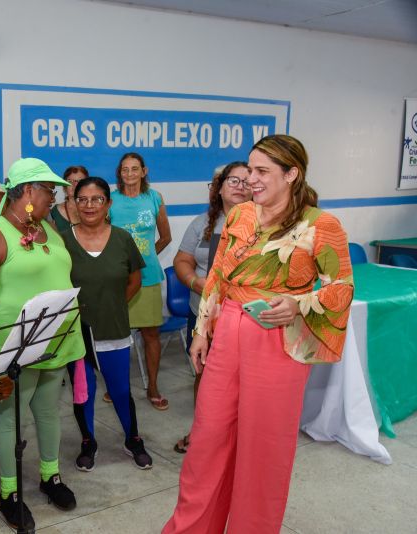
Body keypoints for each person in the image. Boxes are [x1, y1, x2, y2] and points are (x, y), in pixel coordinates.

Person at [163, 135, 354, 534]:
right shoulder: (240, 215)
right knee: (208, 441)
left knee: (263, 453)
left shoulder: (321, 226)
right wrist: (202, 330)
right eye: (250, 170)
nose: (251, 179)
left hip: (277, 343)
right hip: (227, 335)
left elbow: (341, 288)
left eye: (262, 171)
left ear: (291, 174)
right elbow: (218, 275)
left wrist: (299, 303)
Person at [0, 158, 85, 530]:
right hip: (15, 348)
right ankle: (9, 492)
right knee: (11, 420)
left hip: (56, 340)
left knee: (49, 412)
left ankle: (50, 476)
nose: (55, 197)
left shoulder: (47, 226)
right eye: (50, 190)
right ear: (29, 191)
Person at [60, 177, 152, 472]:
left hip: (113, 330)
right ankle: (88, 442)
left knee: (121, 390)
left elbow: (135, 281)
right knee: (82, 391)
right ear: (74, 203)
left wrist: (112, 305)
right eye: (82, 199)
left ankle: (133, 439)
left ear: (108, 203)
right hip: (76, 333)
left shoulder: (122, 239)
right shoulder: (62, 241)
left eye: (97, 199)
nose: (89, 205)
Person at [171, 161, 252, 454]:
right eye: (233, 180)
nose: (240, 186)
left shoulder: (264, 223)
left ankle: (240, 437)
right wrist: (195, 282)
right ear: (219, 187)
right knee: (204, 375)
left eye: (247, 181)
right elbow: (182, 260)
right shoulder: (202, 223)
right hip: (203, 314)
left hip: (245, 318)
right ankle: (202, 431)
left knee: (245, 381)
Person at [109, 152, 172, 409]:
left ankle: (153, 386)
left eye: (135, 168)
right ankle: (117, 387)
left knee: (151, 334)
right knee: (117, 336)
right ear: (119, 173)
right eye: (125, 169)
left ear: (144, 172)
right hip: (118, 279)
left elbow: (165, 237)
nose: (130, 174)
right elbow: (102, 236)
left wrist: (142, 261)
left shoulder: (155, 198)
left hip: (148, 278)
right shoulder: (110, 200)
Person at [50, 165, 88, 232]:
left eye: (79, 181)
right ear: (64, 186)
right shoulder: (54, 212)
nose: (74, 185)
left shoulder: (95, 209)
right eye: (70, 181)